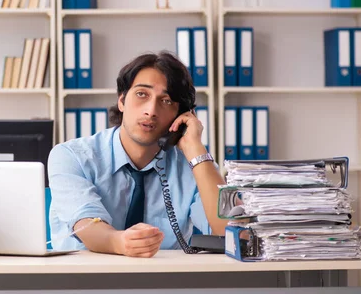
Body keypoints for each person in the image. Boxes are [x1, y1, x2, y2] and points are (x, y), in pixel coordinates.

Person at [47, 51, 227, 258]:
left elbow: (233, 233)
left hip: (163, 283)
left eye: (166, 101)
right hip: (83, 282)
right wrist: (120, 242)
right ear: (122, 101)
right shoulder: (71, 156)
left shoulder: (194, 165)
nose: (151, 110)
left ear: (181, 115)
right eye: (142, 94)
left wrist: (196, 149)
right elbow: (85, 223)